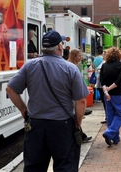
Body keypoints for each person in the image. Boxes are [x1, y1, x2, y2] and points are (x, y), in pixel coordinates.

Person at [6, 30, 89, 171]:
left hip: (36, 125)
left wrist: (23, 110)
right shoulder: (71, 69)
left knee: (34, 167)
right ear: (60, 47)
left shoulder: (30, 65)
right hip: (62, 125)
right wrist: (77, 123)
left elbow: (10, 89)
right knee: (65, 166)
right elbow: (80, 101)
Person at [100, 47, 121, 146]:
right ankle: (109, 133)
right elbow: (118, 81)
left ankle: (115, 138)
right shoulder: (120, 65)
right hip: (118, 93)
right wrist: (109, 89)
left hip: (107, 94)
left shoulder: (104, 65)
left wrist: (106, 91)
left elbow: (102, 81)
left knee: (110, 115)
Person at [68, 48, 93, 140]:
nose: (80, 58)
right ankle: (80, 135)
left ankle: (81, 135)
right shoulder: (71, 66)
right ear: (74, 56)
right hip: (73, 96)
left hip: (75, 94)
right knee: (75, 118)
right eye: (79, 56)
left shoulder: (76, 65)